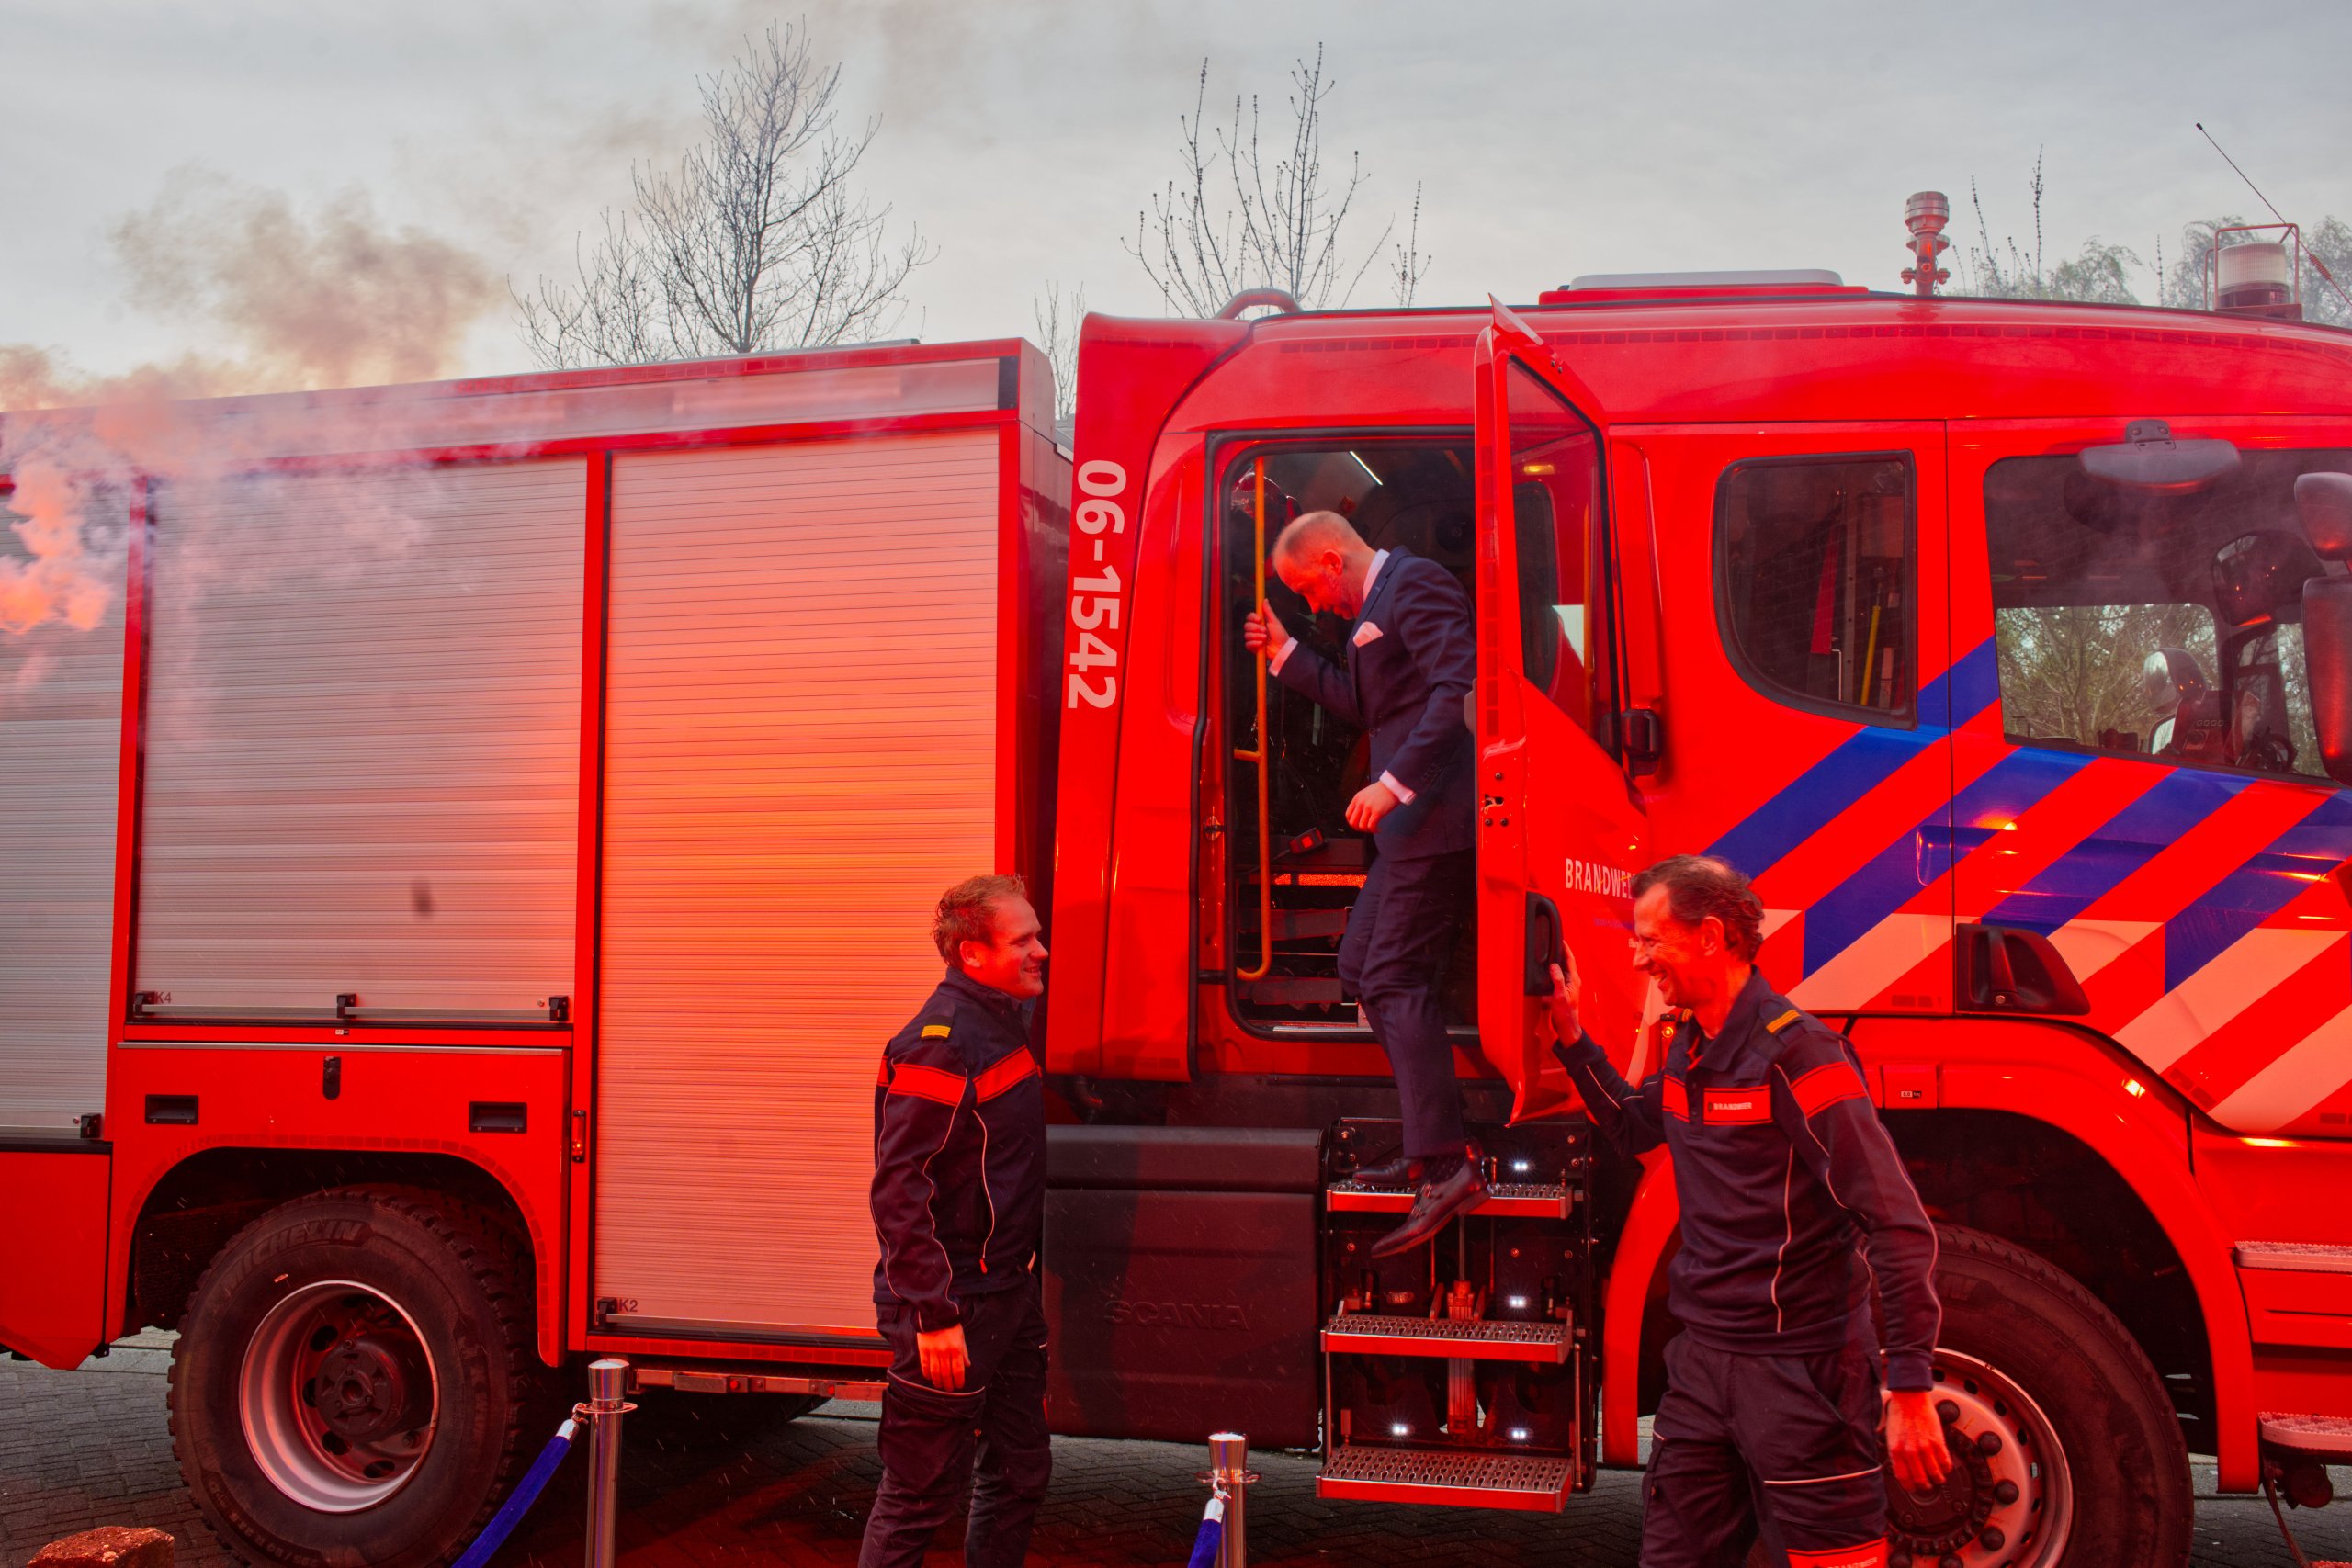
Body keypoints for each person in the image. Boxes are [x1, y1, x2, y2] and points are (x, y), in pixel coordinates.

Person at [1544, 854, 1951, 1568]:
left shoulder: (1802, 1055)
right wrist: (1572, 1037)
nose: (1638, 959)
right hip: (1702, 1370)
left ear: (1710, 936)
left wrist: (1911, 1385)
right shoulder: (1689, 1049)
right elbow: (1634, 1126)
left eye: (1651, 939)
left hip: (1804, 1377)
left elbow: (1895, 1220)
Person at [1241, 509, 1480, 1258]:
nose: (1312, 604)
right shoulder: (1378, 604)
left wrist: (1394, 782)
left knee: (1390, 976)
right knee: (1360, 967)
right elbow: (1367, 704)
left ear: (1332, 561)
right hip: (1409, 833)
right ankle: (1427, 1140)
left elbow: (1458, 690)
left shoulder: (1417, 584)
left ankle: (1445, 1162)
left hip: (1433, 823)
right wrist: (1284, 652)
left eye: (1308, 589)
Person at [860, 874, 1053, 1568]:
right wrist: (933, 1313)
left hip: (1004, 1293)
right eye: (1023, 940)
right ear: (973, 954)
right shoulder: (942, 1043)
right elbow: (899, 1188)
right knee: (918, 1496)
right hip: (955, 1306)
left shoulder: (999, 1022)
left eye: (1037, 936)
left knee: (1020, 1472)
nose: (1041, 951)